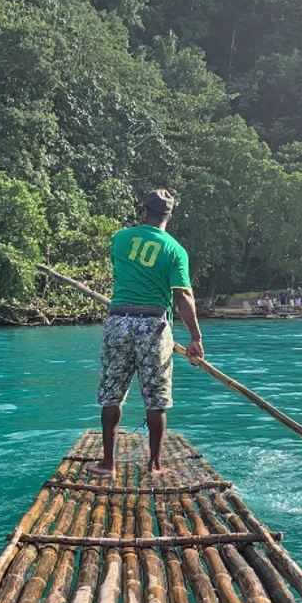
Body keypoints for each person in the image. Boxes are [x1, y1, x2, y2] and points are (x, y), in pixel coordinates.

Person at [93, 189, 205, 477]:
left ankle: (108, 464)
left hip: (119, 320)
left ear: (143, 211)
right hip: (153, 325)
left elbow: (123, 271)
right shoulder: (175, 250)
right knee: (156, 399)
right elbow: (182, 297)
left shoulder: (120, 238)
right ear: (168, 216)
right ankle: (154, 464)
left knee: (112, 395)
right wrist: (195, 338)